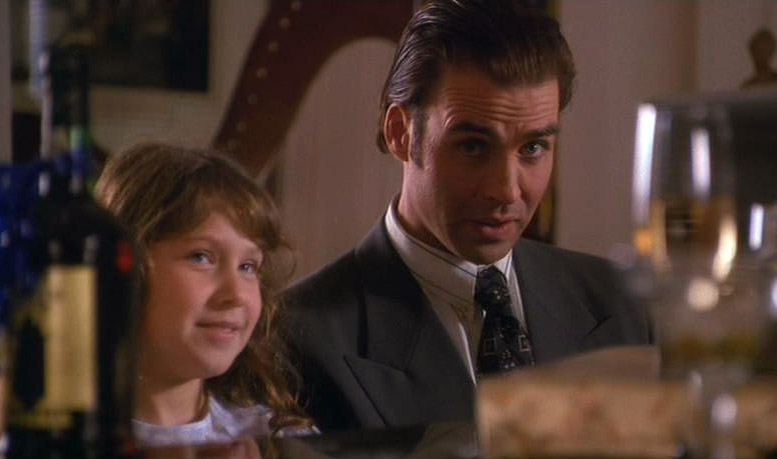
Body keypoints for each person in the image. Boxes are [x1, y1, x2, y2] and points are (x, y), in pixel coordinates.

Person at [282, 0, 652, 432]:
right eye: (473, 147)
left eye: (533, 148)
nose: (506, 190)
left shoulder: (624, 303)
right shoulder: (296, 338)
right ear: (400, 132)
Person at [95, 142, 314, 447]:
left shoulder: (279, 440)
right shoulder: (58, 442)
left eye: (248, 266)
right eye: (201, 257)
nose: (236, 294)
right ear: (125, 266)